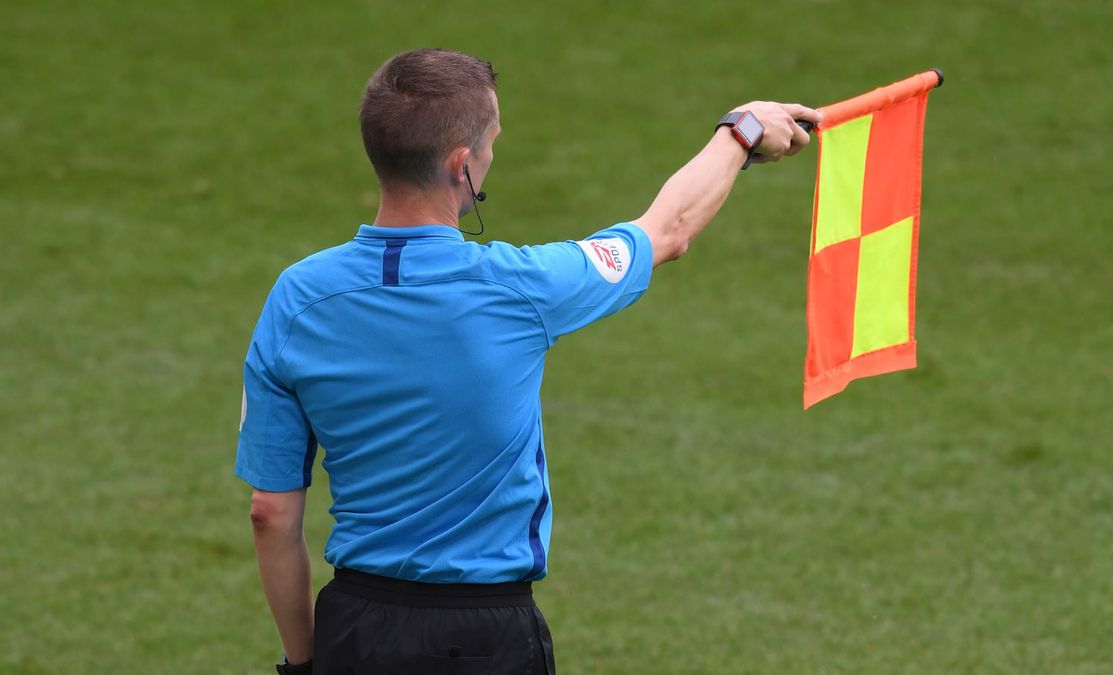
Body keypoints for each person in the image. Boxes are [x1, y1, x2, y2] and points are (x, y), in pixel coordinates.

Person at [235, 48, 820, 675]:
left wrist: (303, 663)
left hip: (357, 626)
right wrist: (742, 131)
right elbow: (668, 228)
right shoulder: (521, 286)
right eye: (490, 143)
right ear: (462, 165)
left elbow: (271, 514)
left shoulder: (295, 299)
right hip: (487, 637)